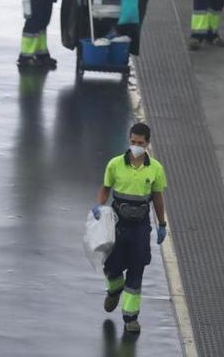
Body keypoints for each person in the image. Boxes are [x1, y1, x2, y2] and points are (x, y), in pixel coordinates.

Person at [91, 123, 167, 333]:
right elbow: (105, 188)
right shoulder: (115, 164)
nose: (136, 146)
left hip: (140, 228)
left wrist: (161, 223)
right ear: (129, 140)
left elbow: (158, 198)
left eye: (140, 143)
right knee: (112, 265)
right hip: (118, 224)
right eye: (133, 142)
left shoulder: (156, 169)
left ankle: (130, 318)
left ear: (148, 144)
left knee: (136, 270)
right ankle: (114, 288)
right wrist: (99, 205)